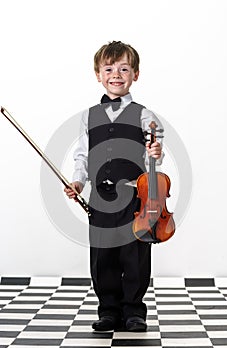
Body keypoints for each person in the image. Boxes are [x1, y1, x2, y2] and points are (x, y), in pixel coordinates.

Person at [64, 41, 163, 332]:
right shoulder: (88, 115)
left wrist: (156, 152)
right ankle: (108, 310)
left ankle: (134, 311)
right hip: (100, 197)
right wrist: (78, 181)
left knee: (134, 255)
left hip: (134, 196)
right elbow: (82, 155)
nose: (116, 74)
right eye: (109, 69)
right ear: (98, 74)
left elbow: (152, 154)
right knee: (103, 255)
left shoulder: (146, 116)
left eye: (124, 68)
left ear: (136, 74)